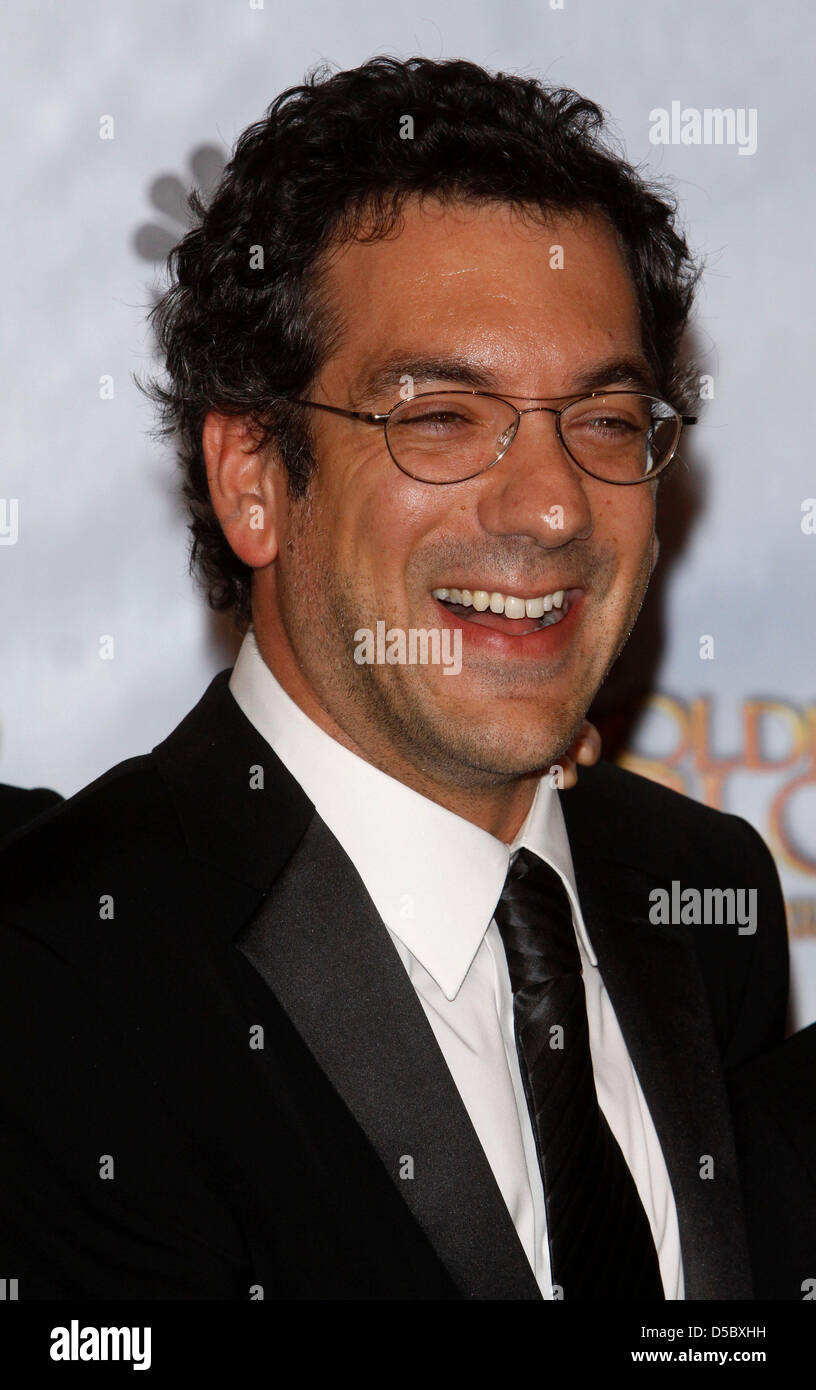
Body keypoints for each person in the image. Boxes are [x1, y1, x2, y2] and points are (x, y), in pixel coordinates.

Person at [0, 56, 789, 1301]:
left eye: (605, 418)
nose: (549, 505)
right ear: (254, 476)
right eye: (440, 417)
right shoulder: (61, 977)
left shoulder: (706, 895)